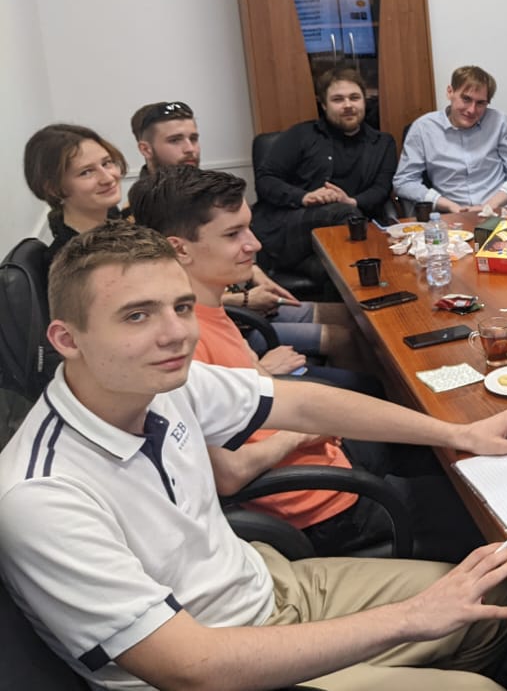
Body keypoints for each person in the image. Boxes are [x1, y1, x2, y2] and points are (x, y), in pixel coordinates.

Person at [0, 219, 507, 691]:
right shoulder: (43, 494)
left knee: (495, 596)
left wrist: (460, 434)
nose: (177, 335)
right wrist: (410, 620)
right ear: (66, 339)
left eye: (181, 306)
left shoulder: (159, 382)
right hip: (217, 664)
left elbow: (302, 403)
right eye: (137, 315)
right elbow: (190, 668)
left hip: (264, 585)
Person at [129, 165, 478, 559]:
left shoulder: (207, 307)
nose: (254, 244)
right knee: (474, 507)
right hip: (324, 510)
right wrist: (300, 435)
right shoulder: (181, 345)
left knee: (445, 452)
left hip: (331, 464)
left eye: (248, 228)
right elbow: (228, 474)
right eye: (233, 235)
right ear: (179, 249)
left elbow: (262, 390)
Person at [129, 100, 367, 376]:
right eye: (175, 140)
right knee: (342, 338)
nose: (190, 148)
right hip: (237, 317)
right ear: (146, 149)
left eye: (193, 138)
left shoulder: (204, 188)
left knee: (357, 317)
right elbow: (173, 297)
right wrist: (244, 302)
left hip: (239, 307)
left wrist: (256, 274)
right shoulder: (142, 215)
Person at [251, 66, 396, 273]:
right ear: (324, 105)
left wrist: (352, 201)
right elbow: (265, 179)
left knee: (333, 267)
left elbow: (381, 188)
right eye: (338, 99)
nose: (348, 105)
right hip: (295, 224)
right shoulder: (301, 135)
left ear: (364, 101)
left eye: (354, 98)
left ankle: (321, 272)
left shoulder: (383, 143)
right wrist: (304, 197)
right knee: (347, 217)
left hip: (348, 230)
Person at [393, 66, 507, 213]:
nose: (472, 110)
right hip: (450, 215)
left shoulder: (498, 121)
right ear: (450, 92)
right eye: (466, 99)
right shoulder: (423, 128)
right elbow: (404, 182)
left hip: (498, 211)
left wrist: (490, 205)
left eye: (480, 103)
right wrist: (446, 204)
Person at [23, 124, 127, 260]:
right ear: (53, 189)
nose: (108, 178)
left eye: (106, 163)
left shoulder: (112, 219)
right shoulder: (72, 262)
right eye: (86, 172)